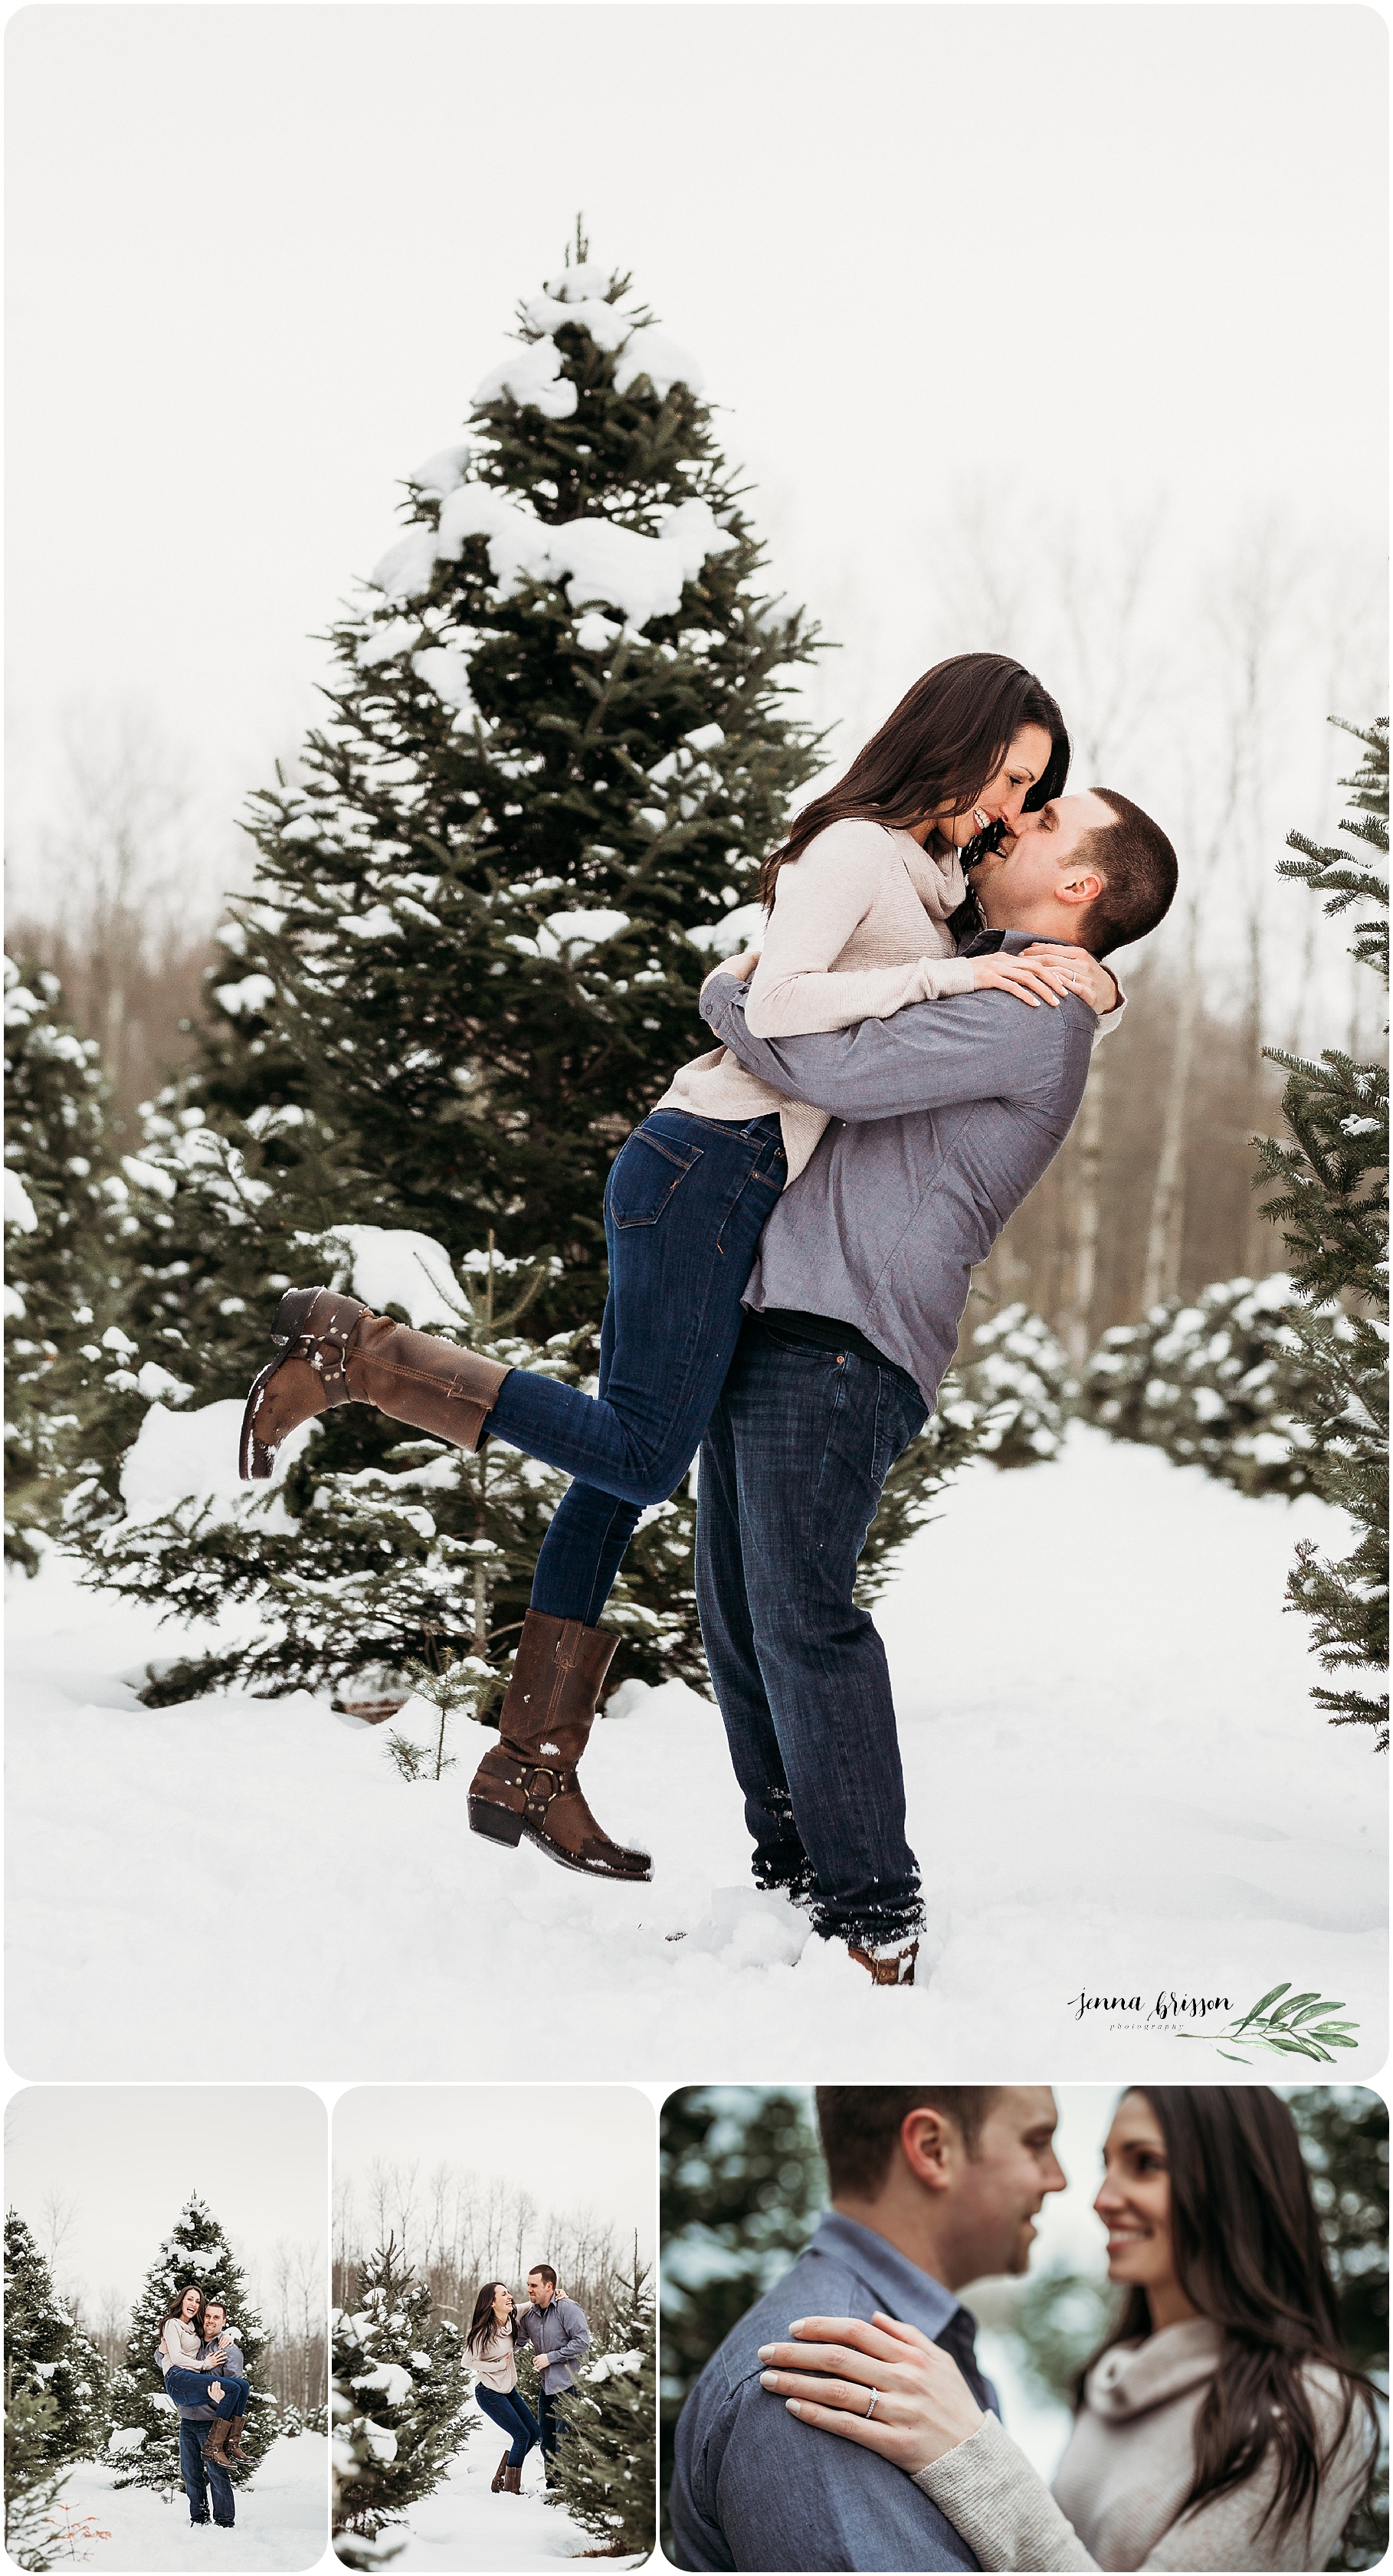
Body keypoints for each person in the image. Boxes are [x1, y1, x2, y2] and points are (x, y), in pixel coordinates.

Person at [238, 654, 1111, 1885]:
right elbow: (798, 1005)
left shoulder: (927, 878)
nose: (1011, 809)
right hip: (710, 1160)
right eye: (1007, 776)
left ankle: (531, 1762)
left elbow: (1015, 976)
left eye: (1035, 793)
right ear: (948, 739)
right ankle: (364, 1355)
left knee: (617, 1459)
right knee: (642, 1451)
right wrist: (926, 972)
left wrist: (1078, 970)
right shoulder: (860, 848)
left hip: (732, 1181)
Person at [691, 783, 1176, 1981]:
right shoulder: (995, 970)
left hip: (848, 1333)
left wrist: (727, 991)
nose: (1013, 824)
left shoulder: (1035, 1010)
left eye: (1047, 822)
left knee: (802, 1617)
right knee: (741, 1621)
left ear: (1079, 888)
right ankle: (793, 1882)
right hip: (781, 1313)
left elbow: (825, 1063)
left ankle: (873, 1916)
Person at [755, 2087, 1378, 2572]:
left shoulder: (1308, 2413)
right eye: (1108, 2164)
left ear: (1235, 2186)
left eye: (1146, 2164)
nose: (1101, 2196)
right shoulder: (1114, 2381)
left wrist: (971, 2454)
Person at [670, 2085, 1066, 2571]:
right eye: (1037, 2141)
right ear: (932, 2149)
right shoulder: (827, 2375)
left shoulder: (906, 2349)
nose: (1059, 2178)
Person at [159, 2288, 251, 2522]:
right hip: (187, 2418)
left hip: (211, 2421)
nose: (210, 2321)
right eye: (208, 2316)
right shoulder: (196, 2340)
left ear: (224, 2322)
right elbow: (167, 2358)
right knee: (191, 2474)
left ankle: (224, 2521)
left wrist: (222, 2402)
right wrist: (161, 2349)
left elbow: (236, 2385)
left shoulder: (229, 2350)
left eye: (216, 2318)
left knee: (218, 2474)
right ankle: (198, 2518)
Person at [517, 2263, 591, 2487]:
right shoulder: (530, 2315)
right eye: (528, 2285)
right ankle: (552, 2485)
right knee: (546, 2439)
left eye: (534, 2285)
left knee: (564, 2439)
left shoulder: (567, 2309)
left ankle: (566, 2489)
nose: (529, 2290)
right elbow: (517, 2342)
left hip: (570, 2384)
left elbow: (582, 2342)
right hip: (547, 2386)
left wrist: (550, 2357)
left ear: (549, 2286)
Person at [465, 2280, 539, 2498]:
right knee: (521, 2435)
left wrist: (558, 2295)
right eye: (504, 2294)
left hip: (508, 2389)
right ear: (491, 2303)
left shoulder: (512, 2315)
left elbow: (533, 2303)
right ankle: (510, 2489)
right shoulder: (482, 2332)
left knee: (534, 2432)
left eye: (508, 2293)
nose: (510, 2297)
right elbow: (467, 2362)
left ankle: (502, 2477)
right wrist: (497, 2365)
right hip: (488, 2392)